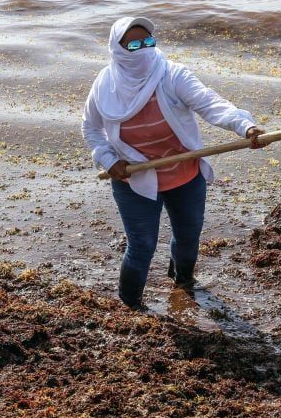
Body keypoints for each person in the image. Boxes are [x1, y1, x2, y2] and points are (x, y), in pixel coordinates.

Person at [82, 16, 266, 310]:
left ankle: (183, 283)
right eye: (134, 44)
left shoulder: (171, 75)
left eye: (148, 42)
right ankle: (129, 306)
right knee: (141, 246)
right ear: (117, 49)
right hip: (133, 180)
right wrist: (107, 158)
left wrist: (245, 127)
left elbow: (209, 102)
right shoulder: (104, 86)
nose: (143, 49)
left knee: (188, 238)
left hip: (184, 176)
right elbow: (91, 128)